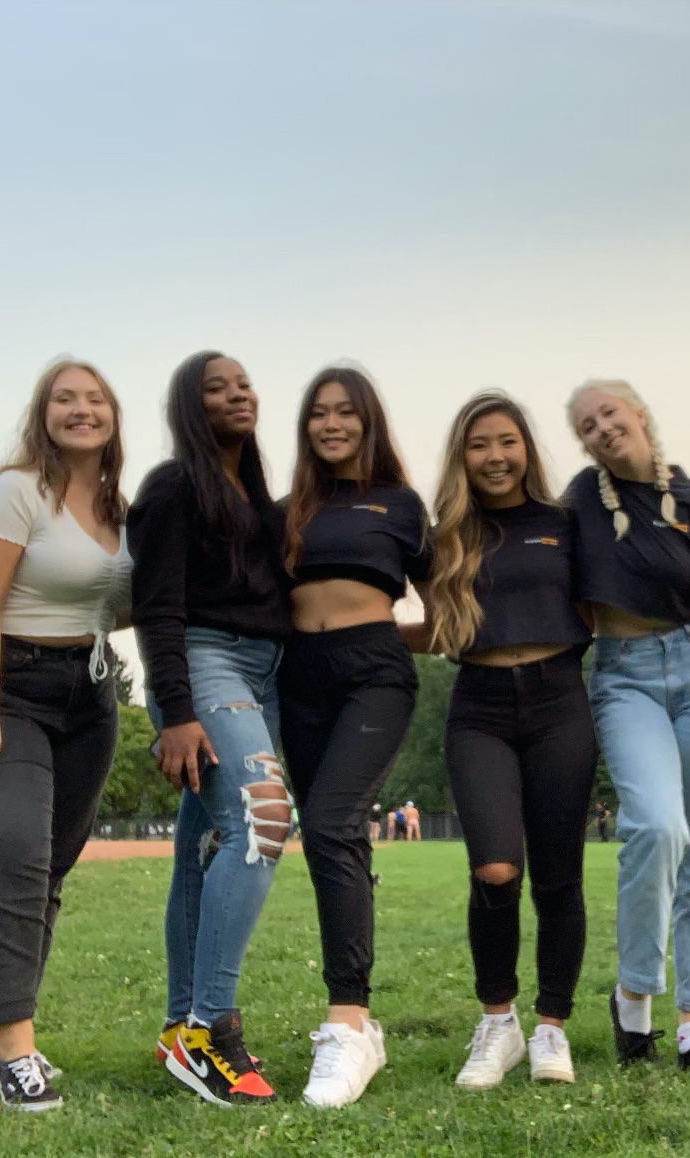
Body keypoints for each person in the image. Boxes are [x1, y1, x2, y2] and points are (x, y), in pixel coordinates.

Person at [0, 359, 134, 1110]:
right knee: (16, 853)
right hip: (4, 690)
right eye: (64, 399)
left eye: (95, 399)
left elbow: (113, 605)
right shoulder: (17, 491)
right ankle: (17, 1048)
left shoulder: (120, 509)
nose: (81, 410)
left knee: (48, 871)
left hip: (88, 697)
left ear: (114, 416)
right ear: (42, 414)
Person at [564, 378, 690, 1083]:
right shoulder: (581, 503)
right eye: (586, 425)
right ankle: (635, 999)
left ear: (639, 416)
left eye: (609, 413)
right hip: (627, 676)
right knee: (655, 828)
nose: (601, 428)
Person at [129, 350, 292, 1106]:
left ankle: (175, 1026)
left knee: (202, 848)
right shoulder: (172, 487)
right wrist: (178, 711)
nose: (237, 395)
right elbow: (157, 605)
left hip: (263, 672)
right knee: (262, 821)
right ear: (189, 408)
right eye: (215, 388)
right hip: (204, 664)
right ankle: (208, 1028)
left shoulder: (255, 497)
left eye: (244, 384)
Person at [428, 391, 598, 1090]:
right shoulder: (447, 534)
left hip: (560, 701)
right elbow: (432, 625)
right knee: (494, 869)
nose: (494, 457)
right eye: (478, 445)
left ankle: (552, 1029)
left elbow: (604, 601)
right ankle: (498, 1025)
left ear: (527, 447)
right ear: (461, 457)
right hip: (481, 709)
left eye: (506, 441)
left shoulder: (567, 522)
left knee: (558, 876)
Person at [277, 364, 432, 1107]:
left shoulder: (400, 506)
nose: (332, 424)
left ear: (369, 422)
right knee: (327, 837)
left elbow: (450, 610)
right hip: (297, 677)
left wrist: (382, 636)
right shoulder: (287, 511)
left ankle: (349, 1021)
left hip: (374, 671)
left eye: (347, 413)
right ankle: (357, 1022)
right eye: (319, 413)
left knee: (335, 822)